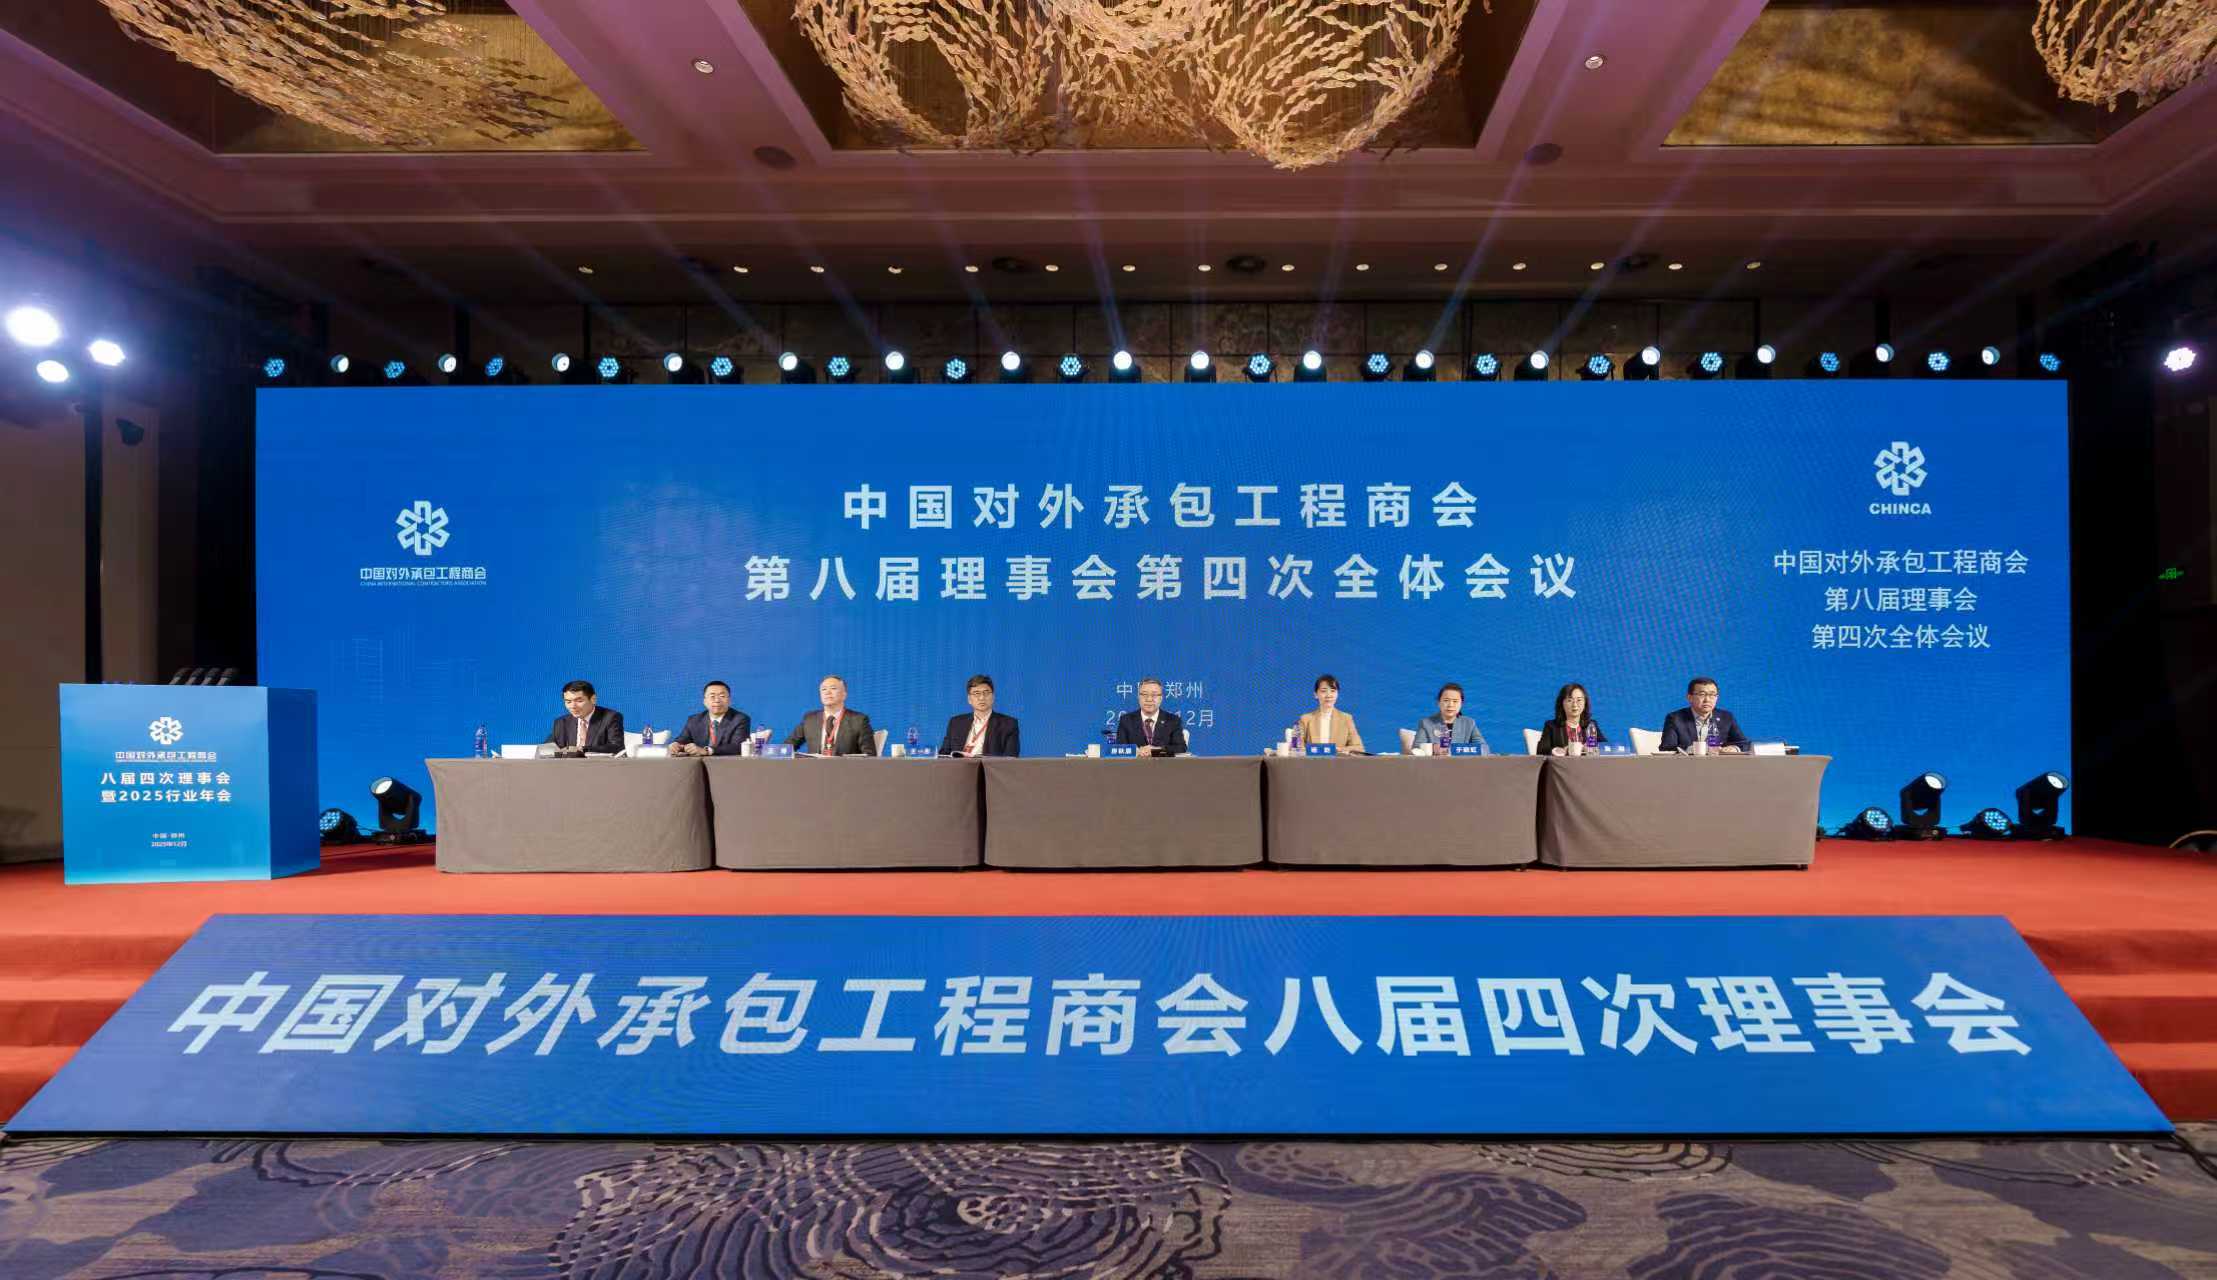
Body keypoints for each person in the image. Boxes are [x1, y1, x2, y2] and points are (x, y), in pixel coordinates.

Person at [786, 674, 879, 756]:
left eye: (833, 688)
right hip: (815, 769)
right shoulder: (809, 719)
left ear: (844, 695)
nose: (827, 692)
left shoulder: (859, 720)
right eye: (824, 689)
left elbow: (869, 755)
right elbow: (786, 748)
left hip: (845, 769)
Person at [1658, 676, 1750, 754]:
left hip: (1719, 766)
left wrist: (1734, 748)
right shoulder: (1675, 718)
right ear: (1689, 697)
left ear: (1717, 698)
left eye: (1712, 695)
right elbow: (1667, 748)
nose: (1707, 700)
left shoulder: (1726, 717)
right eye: (1702, 694)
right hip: (1687, 766)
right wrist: (1694, 749)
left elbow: (1744, 743)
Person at [940, 673, 1021, 757]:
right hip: (958, 765)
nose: (982, 698)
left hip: (988, 765)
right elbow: (943, 754)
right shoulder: (956, 723)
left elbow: (1011, 757)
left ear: (993, 697)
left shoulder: (1008, 724)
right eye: (976, 693)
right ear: (969, 699)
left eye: (986, 693)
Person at [670, 679, 751, 757]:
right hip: (699, 764)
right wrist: (676, 745)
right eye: (712, 696)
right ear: (704, 701)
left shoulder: (740, 719)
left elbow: (738, 746)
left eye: (722, 696)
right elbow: (683, 739)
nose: (717, 700)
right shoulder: (694, 720)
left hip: (727, 764)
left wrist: (707, 751)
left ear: (729, 700)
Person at [544, 680, 625, 755]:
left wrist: (583, 749)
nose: (573, 706)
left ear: (593, 699)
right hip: (568, 765)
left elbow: (617, 747)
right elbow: (547, 748)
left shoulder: (611, 717)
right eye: (568, 702)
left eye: (579, 701)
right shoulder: (561, 722)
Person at [1293, 673, 1365, 753]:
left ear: (1337, 694)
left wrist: (1338, 750)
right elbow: (1296, 748)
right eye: (1323, 691)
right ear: (1315, 695)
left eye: (1333, 691)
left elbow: (1359, 748)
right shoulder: (1305, 719)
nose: (1329, 695)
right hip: (1312, 761)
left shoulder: (1346, 719)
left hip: (1338, 761)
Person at [1114, 677, 1185, 757]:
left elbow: (1181, 748)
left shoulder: (1173, 721)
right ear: (1138, 697)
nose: (1149, 699)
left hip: (1164, 764)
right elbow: (1119, 748)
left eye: (1154, 695)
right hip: (1135, 764)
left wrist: (1157, 750)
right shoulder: (1126, 720)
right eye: (1144, 694)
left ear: (1161, 698)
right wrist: (1136, 751)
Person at [1414, 682, 1489, 753]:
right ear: (1438, 702)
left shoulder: (1469, 723)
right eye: (1446, 700)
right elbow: (1416, 748)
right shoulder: (1426, 723)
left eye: (1455, 701)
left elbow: (1484, 748)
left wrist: (1457, 750)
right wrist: (1434, 748)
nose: (1450, 705)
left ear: (1461, 704)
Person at [1536, 682, 1606, 755]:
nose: (1575, 704)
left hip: (1588, 762)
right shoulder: (1551, 726)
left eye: (1579, 700)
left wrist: (1592, 747)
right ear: (1562, 704)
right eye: (1569, 700)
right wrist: (1563, 751)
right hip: (1563, 762)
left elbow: (1606, 747)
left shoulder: (1591, 724)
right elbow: (1541, 751)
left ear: (1585, 703)